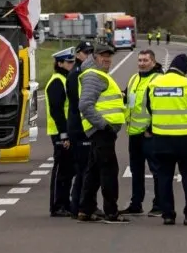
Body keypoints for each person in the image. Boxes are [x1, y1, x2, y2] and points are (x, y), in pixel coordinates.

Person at [131, 52, 187, 225]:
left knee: (165, 177)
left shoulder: (154, 83)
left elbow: (150, 108)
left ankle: (167, 214)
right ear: (184, 70)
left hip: (161, 139)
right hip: (186, 139)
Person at [77, 44, 128, 223]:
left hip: (102, 132)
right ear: (94, 57)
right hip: (101, 132)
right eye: (103, 56)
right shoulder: (93, 75)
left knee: (94, 170)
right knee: (109, 171)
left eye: (109, 56)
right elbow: (84, 104)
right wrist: (103, 125)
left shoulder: (97, 74)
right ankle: (111, 212)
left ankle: (85, 209)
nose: (107, 59)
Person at [123, 48, 165, 215]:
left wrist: (151, 128)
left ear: (153, 62)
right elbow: (128, 100)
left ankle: (159, 204)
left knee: (156, 170)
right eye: (139, 60)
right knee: (136, 170)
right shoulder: (134, 78)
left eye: (145, 60)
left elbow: (160, 107)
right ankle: (136, 203)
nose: (141, 63)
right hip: (133, 132)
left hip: (150, 134)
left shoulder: (159, 79)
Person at [45, 48, 78, 217]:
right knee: (61, 170)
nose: (72, 64)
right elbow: (56, 110)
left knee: (68, 169)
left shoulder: (65, 80)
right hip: (60, 133)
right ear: (60, 63)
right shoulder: (57, 81)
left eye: (73, 62)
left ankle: (65, 203)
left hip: (66, 131)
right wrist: (64, 134)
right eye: (69, 62)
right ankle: (58, 205)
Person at [65, 40, 95, 216]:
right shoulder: (77, 74)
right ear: (77, 54)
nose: (88, 55)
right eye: (85, 52)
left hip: (82, 126)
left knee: (87, 169)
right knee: (83, 170)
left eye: (91, 52)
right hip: (79, 127)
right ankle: (79, 206)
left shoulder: (83, 72)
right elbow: (81, 101)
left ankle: (84, 204)